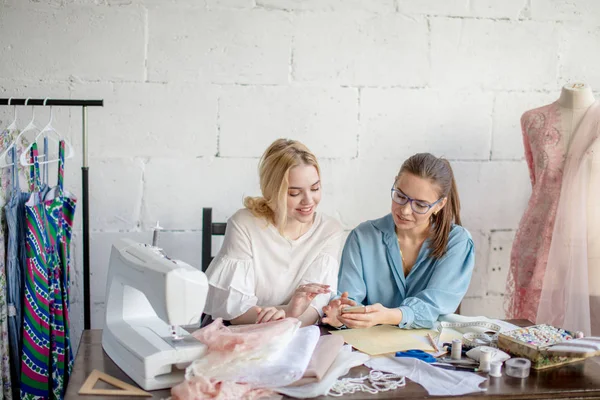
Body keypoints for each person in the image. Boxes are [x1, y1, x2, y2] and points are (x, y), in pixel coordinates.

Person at [322, 153, 474, 329]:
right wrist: (341, 314)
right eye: (401, 196)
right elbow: (349, 300)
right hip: (370, 347)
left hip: (432, 349)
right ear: (395, 184)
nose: (405, 210)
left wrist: (387, 315)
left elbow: (434, 307)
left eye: (420, 205)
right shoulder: (362, 237)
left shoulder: (457, 242)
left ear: (439, 205)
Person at [204, 139, 344, 326]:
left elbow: (314, 308)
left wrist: (289, 316)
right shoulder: (244, 224)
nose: (308, 200)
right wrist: (288, 312)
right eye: (294, 193)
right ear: (272, 191)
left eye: (315, 188)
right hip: (243, 329)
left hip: (296, 330)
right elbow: (235, 312)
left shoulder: (329, 231)